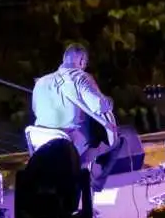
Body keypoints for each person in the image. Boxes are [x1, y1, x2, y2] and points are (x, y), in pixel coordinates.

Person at [31, 42, 126, 190]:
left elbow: (35, 110)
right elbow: (99, 106)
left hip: (41, 142)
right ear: (82, 61)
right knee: (116, 141)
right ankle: (93, 185)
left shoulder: (40, 82)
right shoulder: (80, 77)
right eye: (85, 63)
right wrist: (109, 101)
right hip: (70, 145)